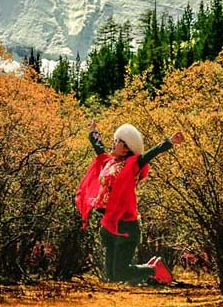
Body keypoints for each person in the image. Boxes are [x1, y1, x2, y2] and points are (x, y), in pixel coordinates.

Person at [75, 120, 184, 285]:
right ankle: (152, 266)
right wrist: (93, 131)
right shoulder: (108, 162)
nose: (113, 143)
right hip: (109, 224)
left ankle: (154, 269)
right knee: (111, 275)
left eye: (117, 141)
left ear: (126, 148)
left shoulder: (133, 165)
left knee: (120, 272)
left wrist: (169, 142)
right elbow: (98, 147)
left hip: (126, 226)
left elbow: (150, 154)